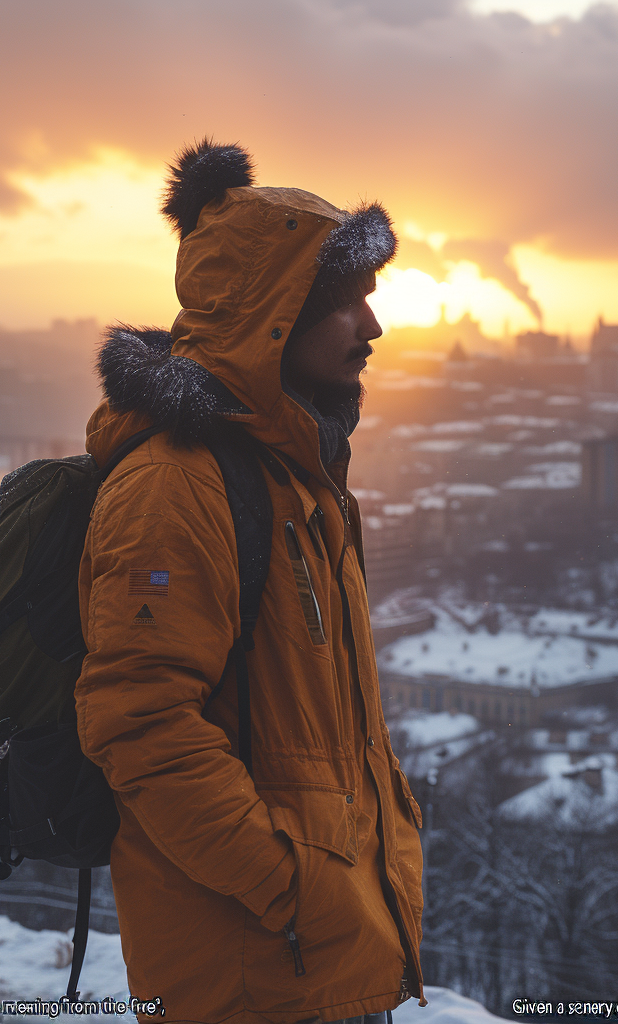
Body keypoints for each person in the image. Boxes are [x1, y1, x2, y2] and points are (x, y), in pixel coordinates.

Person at [75, 140, 425, 1024]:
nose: (372, 328)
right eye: (344, 305)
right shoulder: (177, 485)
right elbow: (141, 725)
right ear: (274, 316)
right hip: (250, 970)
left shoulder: (299, 478)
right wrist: (292, 889)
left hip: (321, 954)